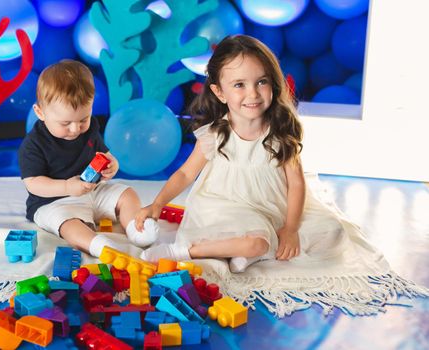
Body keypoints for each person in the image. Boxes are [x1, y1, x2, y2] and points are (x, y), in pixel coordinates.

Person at [135, 35, 342, 273]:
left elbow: (296, 184)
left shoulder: (280, 132)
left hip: (266, 209)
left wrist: (291, 228)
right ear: (220, 92)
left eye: (261, 82)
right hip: (222, 206)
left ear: (272, 83)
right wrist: (158, 203)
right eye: (239, 84)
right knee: (256, 243)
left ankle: (242, 252)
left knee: (330, 231)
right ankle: (184, 250)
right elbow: (185, 173)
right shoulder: (215, 135)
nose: (253, 94)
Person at [18, 59, 159, 257]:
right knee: (68, 224)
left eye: (83, 119)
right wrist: (67, 187)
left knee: (128, 194)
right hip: (55, 201)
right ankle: (96, 244)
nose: (76, 129)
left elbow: (103, 153)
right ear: (40, 112)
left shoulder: (90, 127)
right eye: (65, 123)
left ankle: (136, 229)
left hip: (93, 189)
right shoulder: (34, 144)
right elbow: (33, 183)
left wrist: (113, 164)